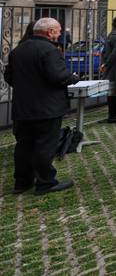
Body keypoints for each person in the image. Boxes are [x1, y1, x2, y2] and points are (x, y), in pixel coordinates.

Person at [5, 18, 79, 195]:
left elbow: (9, 76)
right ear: (50, 32)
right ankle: (45, 182)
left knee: (24, 145)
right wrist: (73, 78)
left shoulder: (18, 50)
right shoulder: (49, 50)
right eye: (58, 30)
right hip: (47, 107)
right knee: (45, 144)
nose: (60, 34)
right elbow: (58, 76)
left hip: (23, 106)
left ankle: (22, 182)